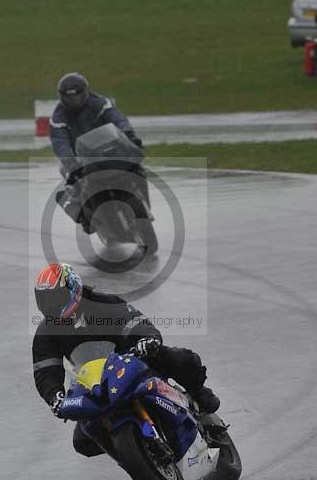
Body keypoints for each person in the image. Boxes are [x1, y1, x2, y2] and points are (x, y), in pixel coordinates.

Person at [31, 261, 220, 457]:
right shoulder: (46, 331)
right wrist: (55, 396)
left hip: (133, 359)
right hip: (94, 382)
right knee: (82, 442)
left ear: (73, 288)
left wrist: (146, 340)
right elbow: (45, 370)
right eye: (46, 300)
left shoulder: (100, 301)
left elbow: (134, 321)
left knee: (180, 359)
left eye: (56, 298)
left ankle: (197, 393)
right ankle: (133, 452)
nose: (51, 305)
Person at [50, 73, 144, 232]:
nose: (75, 101)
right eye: (70, 98)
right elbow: (60, 142)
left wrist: (129, 134)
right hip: (78, 157)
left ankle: (141, 197)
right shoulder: (58, 117)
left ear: (85, 92)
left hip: (107, 149)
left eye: (78, 96)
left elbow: (118, 119)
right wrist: (71, 162)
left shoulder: (100, 103)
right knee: (73, 187)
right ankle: (87, 218)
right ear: (62, 97)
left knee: (136, 167)